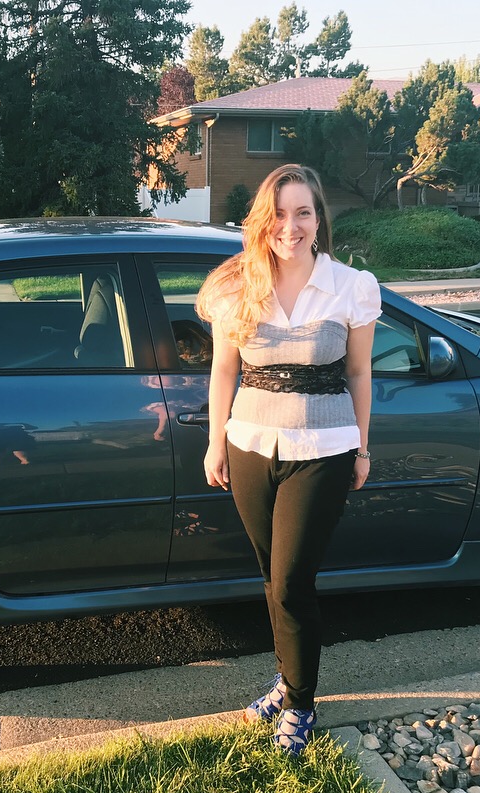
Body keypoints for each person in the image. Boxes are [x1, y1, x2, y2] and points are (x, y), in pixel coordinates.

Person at [196, 164, 380, 756]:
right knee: (273, 580)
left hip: (322, 452)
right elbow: (224, 371)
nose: (290, 226)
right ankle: (287, 678)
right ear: (262, 220)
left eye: (303, 212)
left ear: (319, 219)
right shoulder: (237, 286)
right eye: (278, 213)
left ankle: (300, 704)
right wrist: (216, 442)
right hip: (251, 445)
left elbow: (358, 372)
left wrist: (362, 447)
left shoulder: (351, 287)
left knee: (294, 582)